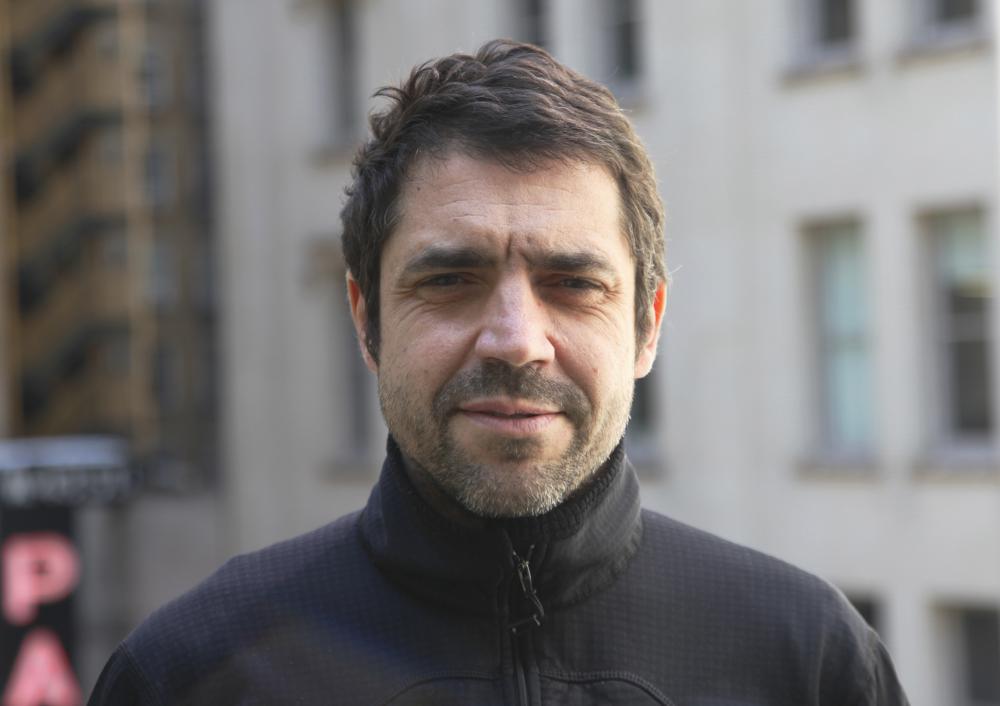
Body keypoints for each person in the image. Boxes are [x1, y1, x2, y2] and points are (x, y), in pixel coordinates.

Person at [89, 40, 909, 705]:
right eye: (450, 280)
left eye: (574, 284)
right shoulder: (196, 673)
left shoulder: (806, 659)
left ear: (647, 325)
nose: (516, 341)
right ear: (366, 318)